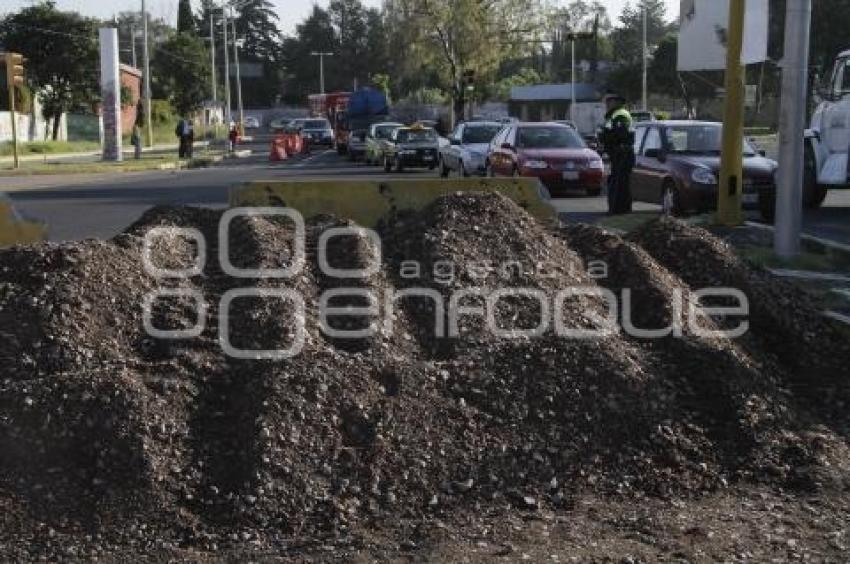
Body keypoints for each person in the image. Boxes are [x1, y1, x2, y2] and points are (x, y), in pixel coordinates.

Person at [599, 93, 635, 215]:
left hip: (622, 153)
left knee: (621, 183)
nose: (607, 104)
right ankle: (616, 208)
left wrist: (606, 137)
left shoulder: (620, 114)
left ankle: (620, 210)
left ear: (618, 102)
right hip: (616, 154)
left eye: (610, 101)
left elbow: (620, 134)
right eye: (607, 101)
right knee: (615, 182)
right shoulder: (612, 115)